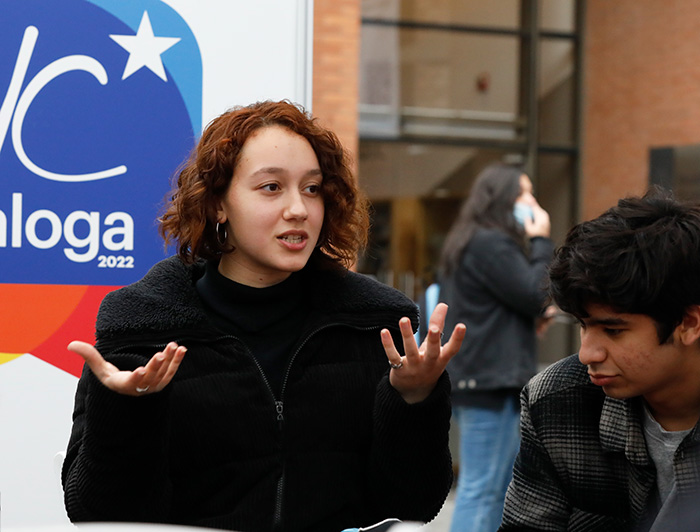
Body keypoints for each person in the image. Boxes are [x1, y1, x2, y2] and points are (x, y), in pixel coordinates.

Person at [61, 100, 466, 532]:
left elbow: (413, 504)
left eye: (312, 189)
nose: (299, 209)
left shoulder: (374, 325)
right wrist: (129, 410)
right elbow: (96, 512)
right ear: (218, 203)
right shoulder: (143, 329)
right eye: (271, 187)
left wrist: (413, 399)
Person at [499, 187, 700, 531]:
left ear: (689, 324)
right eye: (583, 325)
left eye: (613, 330)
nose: (587, 354)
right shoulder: (557, 403)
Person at [437, 163, 554, 532]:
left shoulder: (471, 239)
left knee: (495, 487)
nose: (533, 201)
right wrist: (541, 241)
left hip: (481, 380)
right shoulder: (490, 242)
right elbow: (536, 293)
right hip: (489, 384)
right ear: (501, 198)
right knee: (484, 488)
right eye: (524, 192)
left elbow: (502, 303)